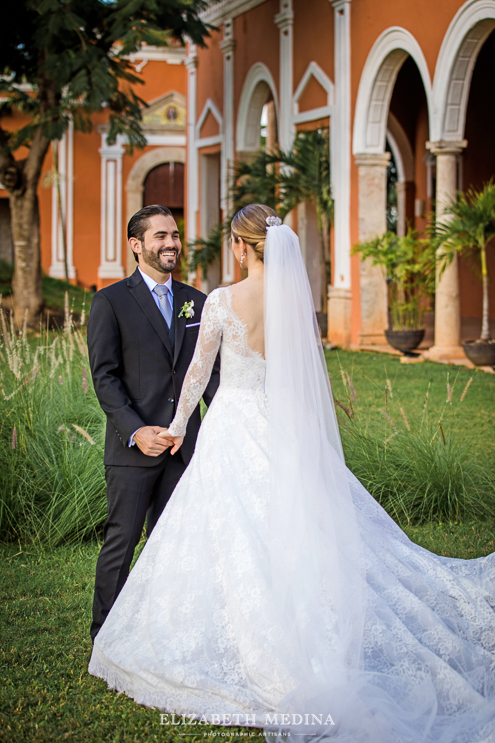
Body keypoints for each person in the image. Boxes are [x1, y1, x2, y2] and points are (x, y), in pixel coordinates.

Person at [89, 204, 495, 743]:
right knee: (289, 531)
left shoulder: (219, 301)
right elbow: (295, 377)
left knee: (231, 533)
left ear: (240, 246)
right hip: (276, 427)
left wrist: (180, 426)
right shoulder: (294, 306)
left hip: (231, 426)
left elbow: (196, 377)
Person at [87, 204, 220, 643]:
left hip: (186, 448)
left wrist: (220, 429)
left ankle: (164, 632)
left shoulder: (196, 301)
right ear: (136, 245)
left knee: (175, 543)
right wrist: (136, 431)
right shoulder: (110, 302)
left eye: (175, 235)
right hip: (134, 448)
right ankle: (105, 635)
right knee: (121, 543)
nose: (171, 244)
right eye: (160, 235)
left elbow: (211, 377)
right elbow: (104, 377)